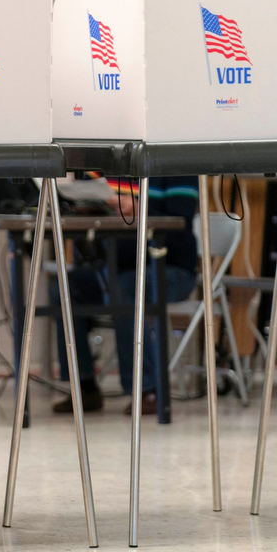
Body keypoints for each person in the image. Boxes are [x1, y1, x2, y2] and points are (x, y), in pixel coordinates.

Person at [51, 176, 199, 415]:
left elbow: (180, 222)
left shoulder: (177, 167)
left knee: (126, 287)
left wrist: (139, 208)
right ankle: (84, 387)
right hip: (118, 267)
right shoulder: (113, 169)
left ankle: (147, 390)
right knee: (67, 287)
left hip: (172, 269)